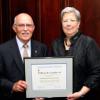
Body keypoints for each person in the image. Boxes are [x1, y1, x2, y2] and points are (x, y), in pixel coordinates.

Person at [51, 7, 100, 100]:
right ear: (61, 23)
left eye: (72, 20)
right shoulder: (55, 44)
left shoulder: (88, 43)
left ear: (78, 23)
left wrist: (81, 93)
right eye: (65, 21)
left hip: (83, 96)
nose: (68, 24)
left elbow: (97, 73)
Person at [0, 13, 48, 100]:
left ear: (33, 28)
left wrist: (43, 93)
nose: (25, 29)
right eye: (21, 25)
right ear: (14, 28)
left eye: (29, 25)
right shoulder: (2, 50)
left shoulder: (42, 48)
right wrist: (12, 86)